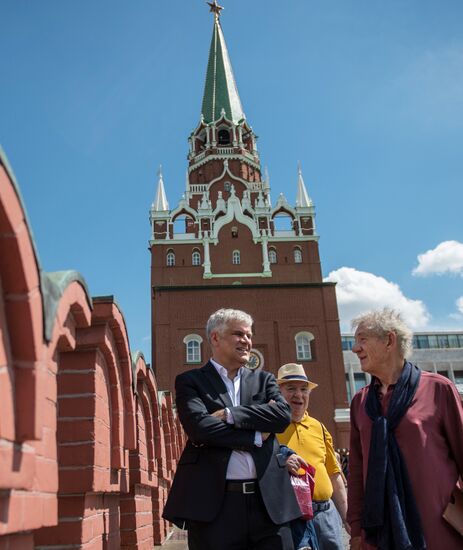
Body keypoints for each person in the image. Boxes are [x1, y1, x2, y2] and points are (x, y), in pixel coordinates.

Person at [163, 308, 301, 550]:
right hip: (215, 507)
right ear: (215, 338)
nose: (247, 341)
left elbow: (281, 417)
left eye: (249, 335)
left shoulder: (264, 380)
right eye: (239, 334)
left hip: (268, 505)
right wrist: (258, 434)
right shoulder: (190, 382)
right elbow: (201, 429)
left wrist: (230, 415)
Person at [347, 308, 463, 550]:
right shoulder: (360, 402)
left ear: (389, 340)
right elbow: (357, 471)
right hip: (379, 535)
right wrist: (356, 530)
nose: (355, 348)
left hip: (438, 530)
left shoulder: (438, 389)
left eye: (362, 339)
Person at [276, 363, 348, 550]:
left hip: (326, 516)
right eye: (291, 389)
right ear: (278, 393)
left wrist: (347, 516)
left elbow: (334, 474)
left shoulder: (319, 427)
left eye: (303, 389)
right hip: (290, 519)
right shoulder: (269, 429)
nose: (298, 395)